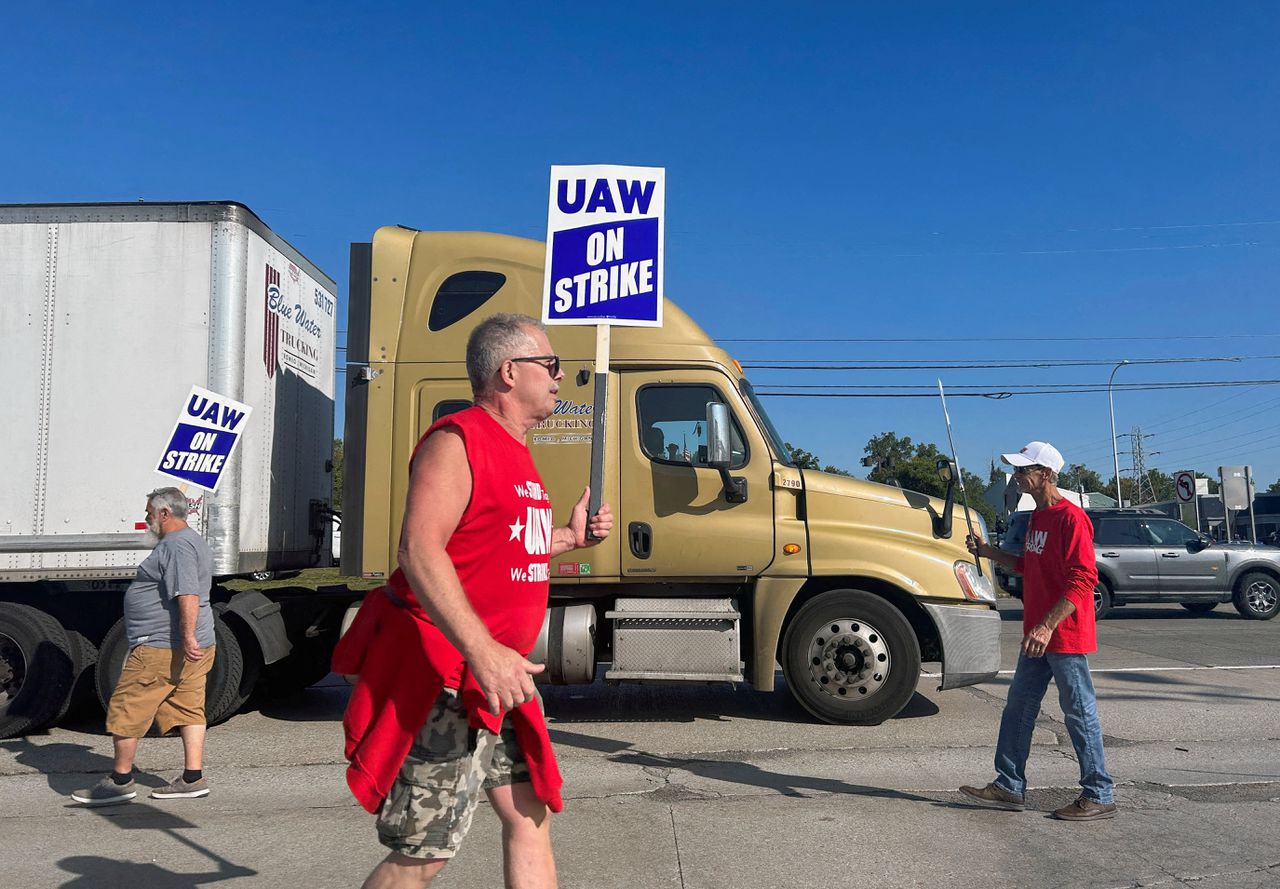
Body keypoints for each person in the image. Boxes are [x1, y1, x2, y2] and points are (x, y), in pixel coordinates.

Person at [335, 313, 614, 889]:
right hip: (449, 672)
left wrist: (568, 538)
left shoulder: (518, 451)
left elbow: (498, 548)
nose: (562, 377)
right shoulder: (457, 439)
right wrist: (482, 650)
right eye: (552, 365)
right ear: (510, 371)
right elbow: (419, 549)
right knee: (424, 850)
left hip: (499, 675)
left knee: (529, 813)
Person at [959, 441, 1117, 821]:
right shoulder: (1036, 519)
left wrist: (1047, 625)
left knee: (1078, 711)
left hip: (1062, 633)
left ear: (1045, 474)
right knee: (1018, 707)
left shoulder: (1071, 518)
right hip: (1038, 633)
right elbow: (1030, 567)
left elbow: (1084, 579)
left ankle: (1099, 793)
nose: (1016, 476)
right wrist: (987, 551)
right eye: (1017, 469)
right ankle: (1009, 787)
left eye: (1023, 469)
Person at [72, 487, 215, 806]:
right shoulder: (190, 540)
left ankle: (120, 781)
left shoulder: (178, 546)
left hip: (163, 648)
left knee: (127, 708)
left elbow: (187, 593)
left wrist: (187, 636)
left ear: (165, 514)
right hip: (189, 645)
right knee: (188, 708)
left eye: (150, 512)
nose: (146, 518)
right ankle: (193, 778)